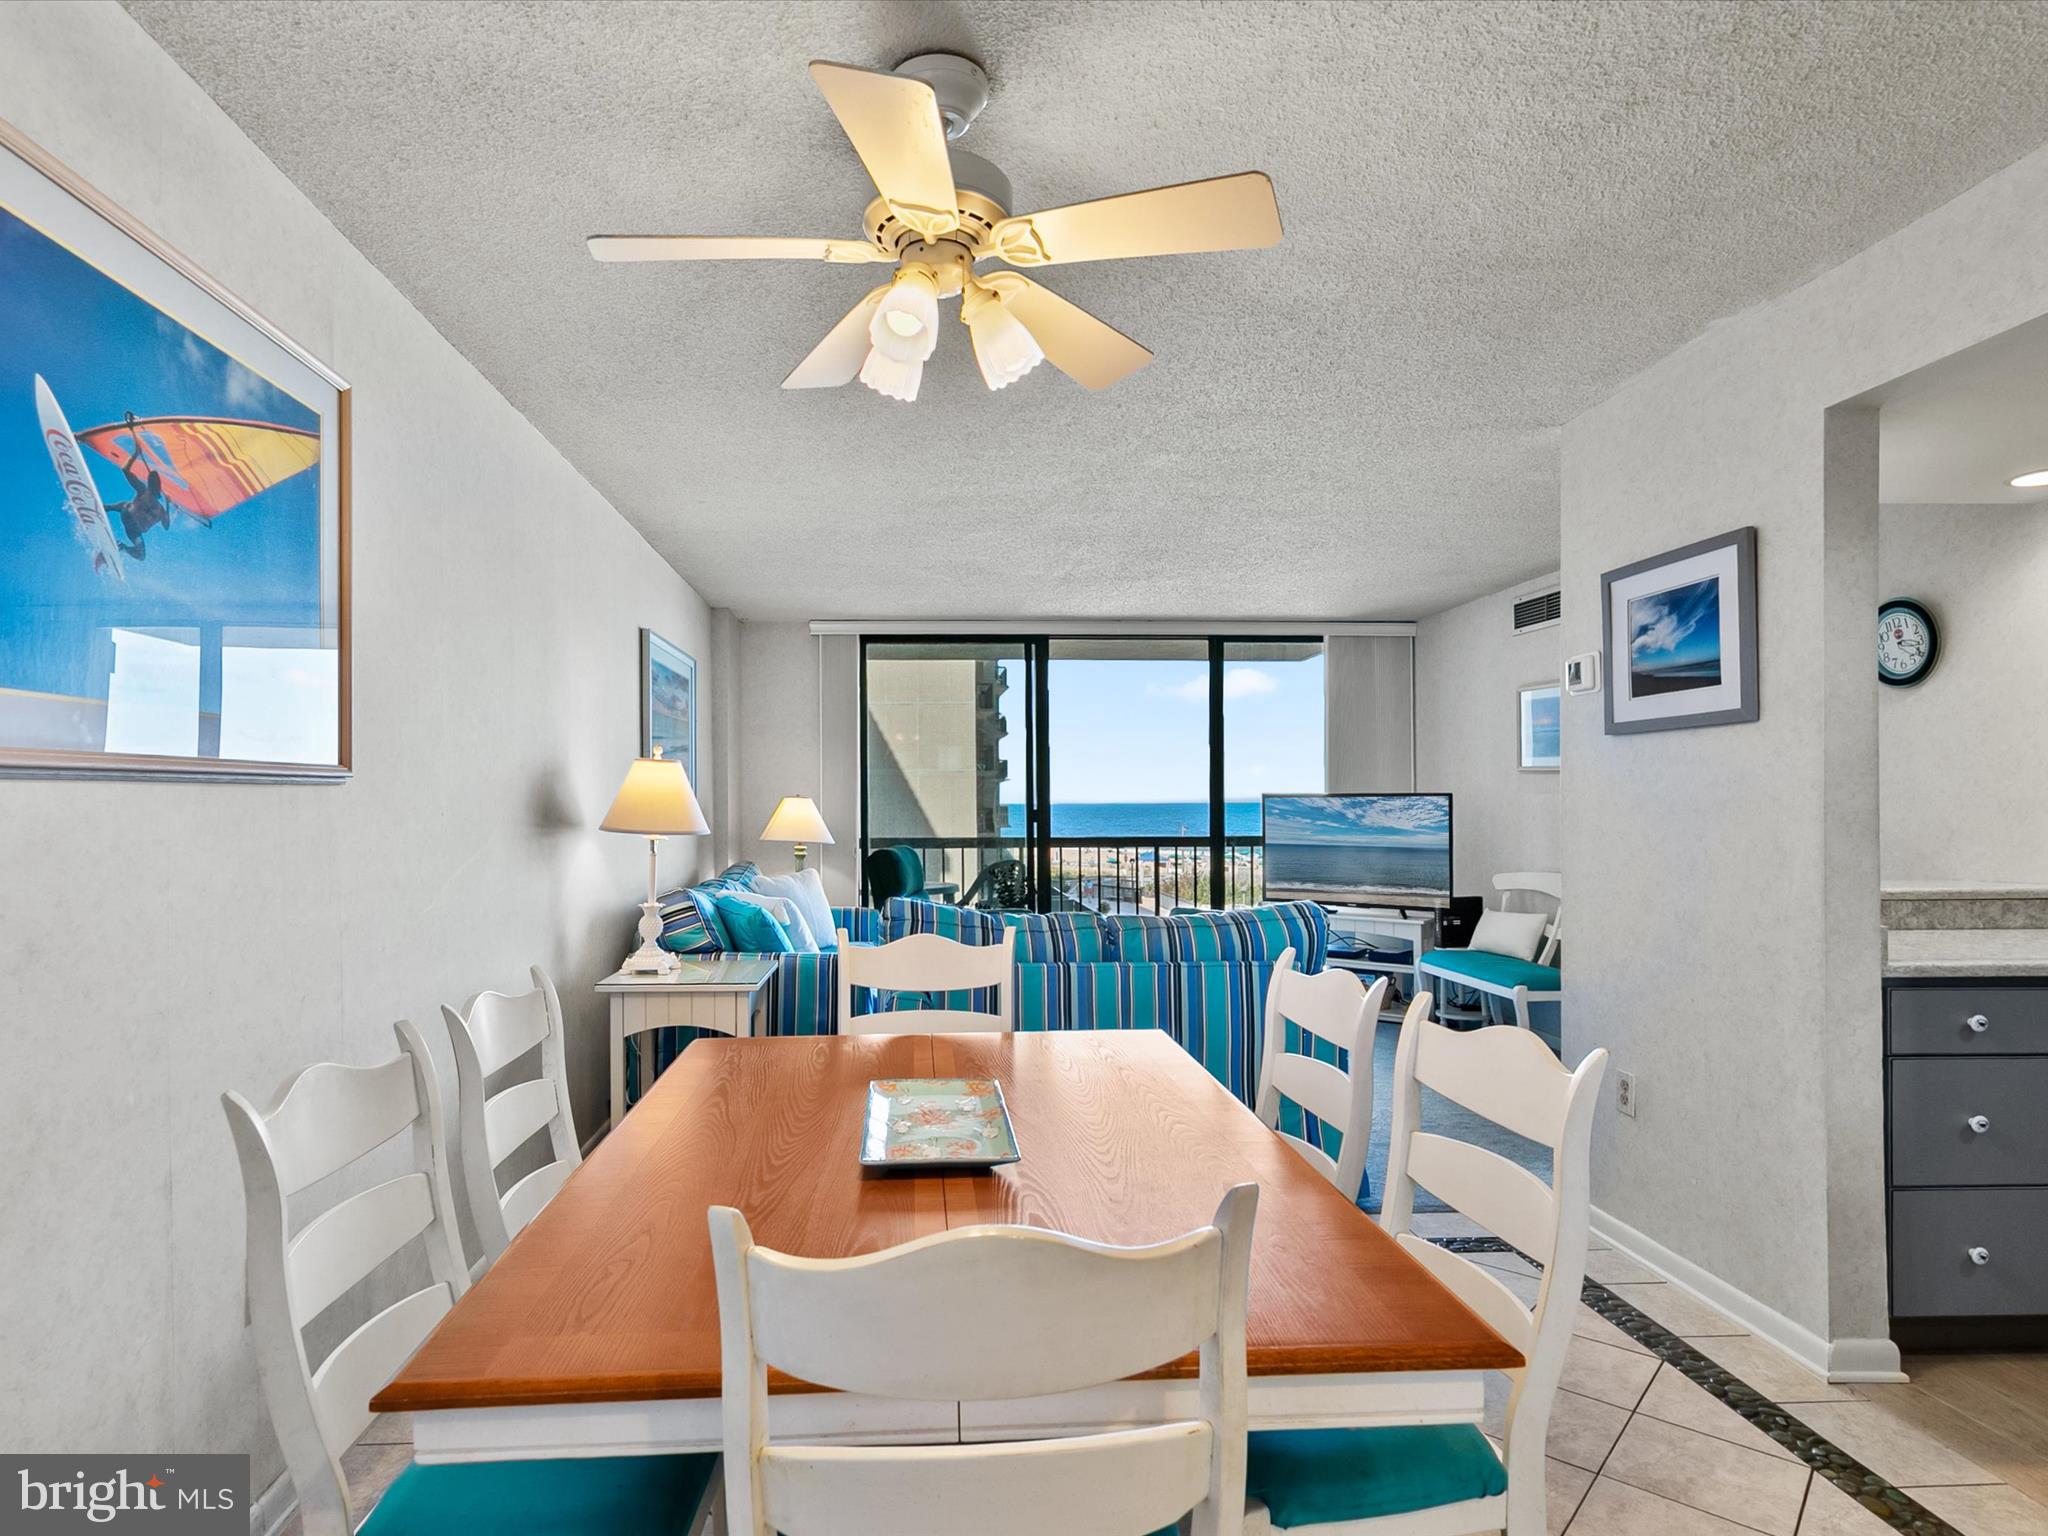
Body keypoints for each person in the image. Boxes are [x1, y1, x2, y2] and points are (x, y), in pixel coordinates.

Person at [111, 413, 171, 559]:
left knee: (141, 556)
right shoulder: (144, 491)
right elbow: (125, 470)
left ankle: (123, 548)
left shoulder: (160, 509)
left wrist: (168, 505)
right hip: (128, 516)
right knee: (127, 505)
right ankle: (104, 507)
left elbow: (166, 526)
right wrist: (135, 454)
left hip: (134, 532)